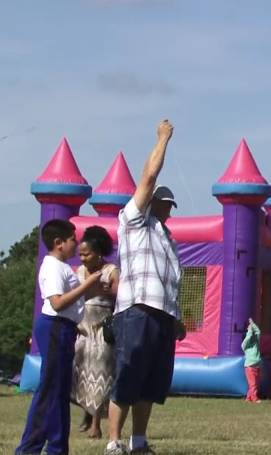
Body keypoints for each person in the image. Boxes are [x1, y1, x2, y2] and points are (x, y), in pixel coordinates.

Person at [106, 120, 187, 455]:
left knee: (152, 382)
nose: (167, 208)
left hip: (162, 314)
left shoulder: (168, 238)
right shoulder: (134, 220)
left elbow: (170, 281)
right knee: (128, 375)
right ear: (150, 201)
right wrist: (162, 139)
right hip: (136, 310)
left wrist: (176, 317)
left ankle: (138, 441)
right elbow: (149, 176)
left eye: (170, 204)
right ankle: (113, 441)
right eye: (163, 202)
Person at [16, 219, 103, 455]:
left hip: (64, 327)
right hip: (55, 326)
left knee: (60, 391)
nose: (76, 244)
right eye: (73, 239)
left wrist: (93, 289)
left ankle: (58, 447)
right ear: (58, 243)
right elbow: (57, 302)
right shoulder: (53, 267)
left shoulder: (62, 266)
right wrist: (87, 285)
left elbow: (71, 300)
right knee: (50, 390)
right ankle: (29, 448)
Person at [72, 226, 121, 438]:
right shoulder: (79, 272)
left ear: (98, 252)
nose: (83, 258)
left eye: (87, 254)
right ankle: (86, 410)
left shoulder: (111, 271)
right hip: (83, 330)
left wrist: (109, 291)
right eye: (80, 254)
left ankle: (96, 424)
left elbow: (121, 298)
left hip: (102, 330)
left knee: (101, 374)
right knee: (81, 371)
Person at [241, 318, 263, 403]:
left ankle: (249, 397)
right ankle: (254, 398)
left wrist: (252, 324)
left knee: (254, 383)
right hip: (250, 367)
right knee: (253, 383)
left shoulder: (255, 343)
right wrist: (250, 330)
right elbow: (248, 338)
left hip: (257, 365)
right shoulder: (244, 345)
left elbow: (258, 332)